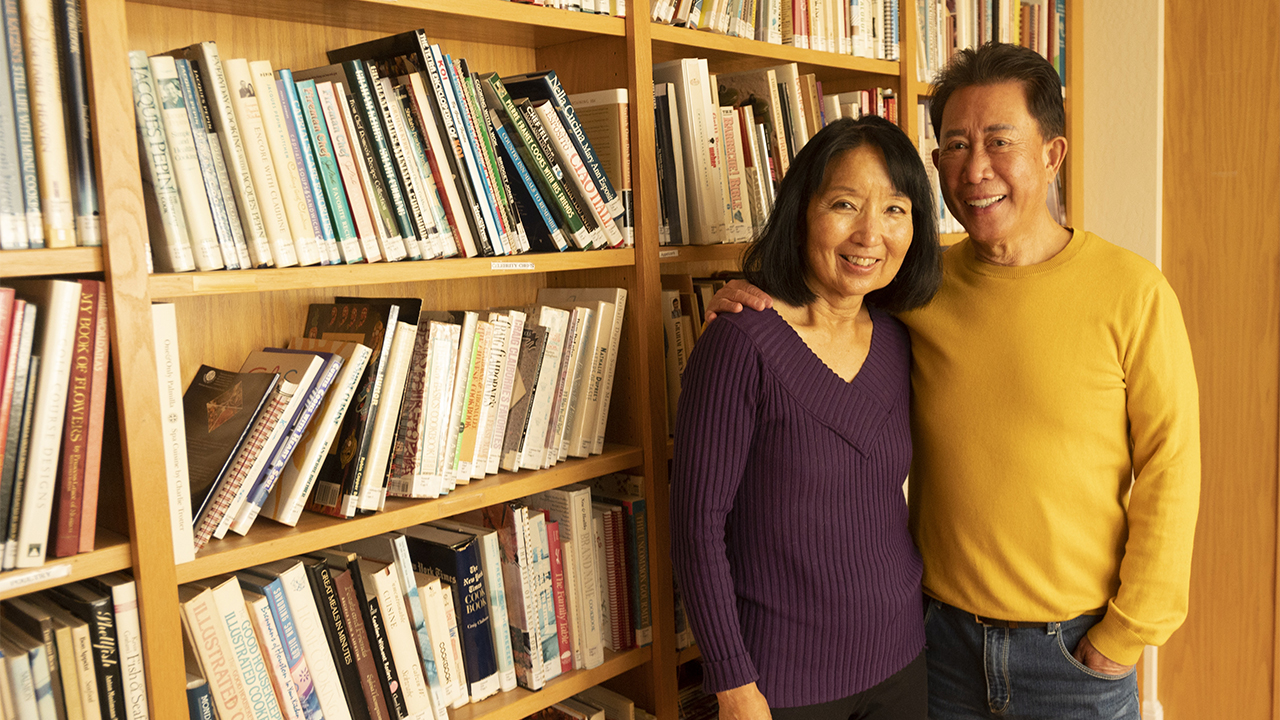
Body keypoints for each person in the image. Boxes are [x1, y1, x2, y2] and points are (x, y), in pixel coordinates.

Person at [706, 43, 1200, 719]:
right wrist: (749, 293)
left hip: (1072, 653)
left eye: (1000, 142)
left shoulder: (1133, 292)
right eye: (956, 146)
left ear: (1053, 155)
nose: (976, 169)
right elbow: (825, 305)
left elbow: (1172, 468)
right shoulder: (916, 286)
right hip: (935, 647)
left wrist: (1126, 635)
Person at [670, 115, 943, 720]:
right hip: (780, 686)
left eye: (896, 209)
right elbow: (696, 526)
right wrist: (734, 683)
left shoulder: (902, 338)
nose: (870, 233)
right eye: (845, 204)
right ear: (802, 211)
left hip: (903, 660)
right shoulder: (741, 343)